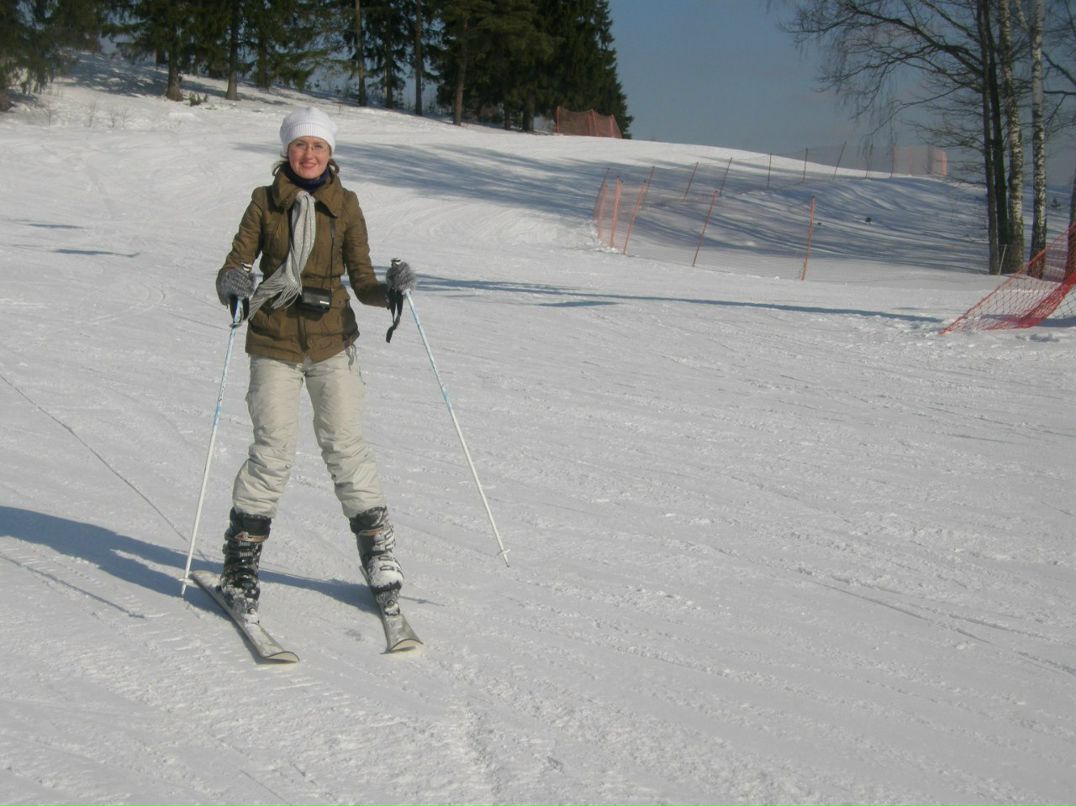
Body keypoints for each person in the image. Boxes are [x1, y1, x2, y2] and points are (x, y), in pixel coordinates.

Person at [213, 106, 416, 620]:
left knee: (346, 447)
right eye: (301, 145)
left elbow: (362, 280)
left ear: (330, 153)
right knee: (272, 452)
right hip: (273, 340)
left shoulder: (346, 205)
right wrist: (232, 283)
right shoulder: (264, 202)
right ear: (287, 150)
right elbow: (237, 262)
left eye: (318, 146)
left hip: (332, 342)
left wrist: (391, 291)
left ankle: (378, 554)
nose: (309, 154)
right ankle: (240, 565)